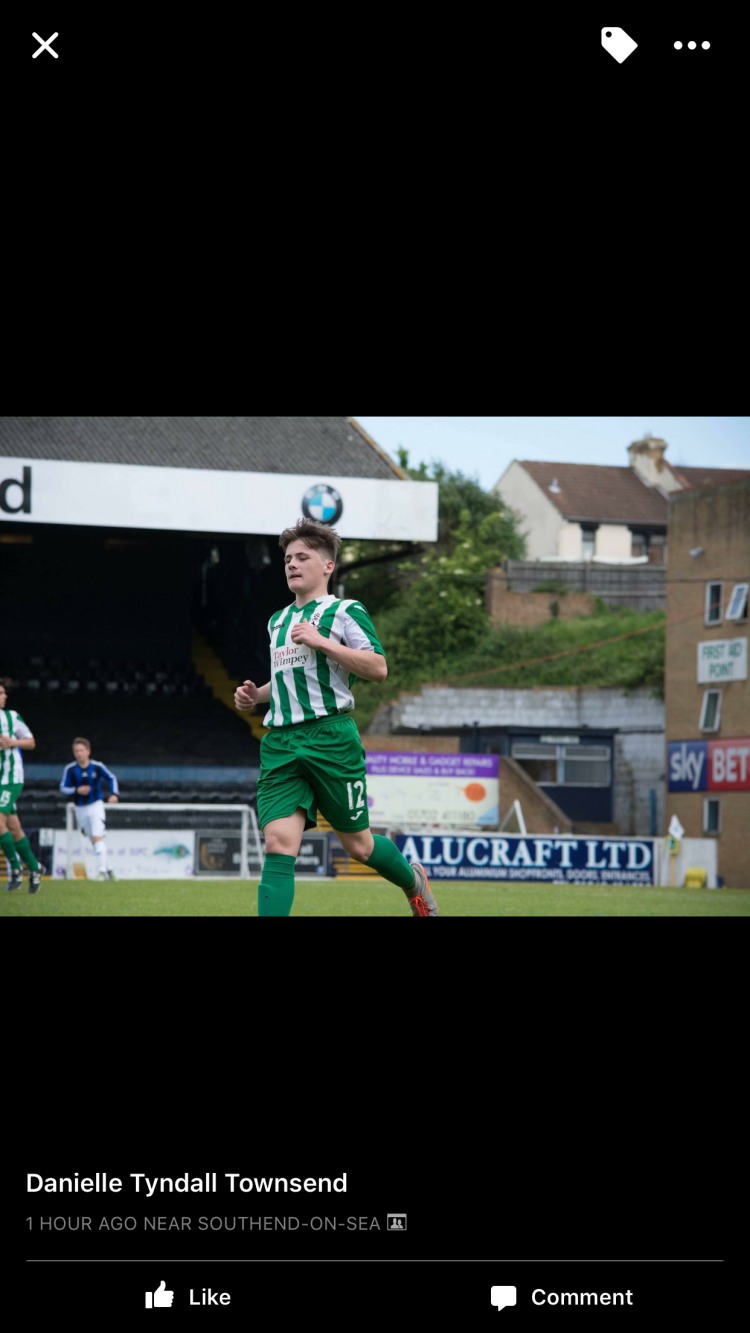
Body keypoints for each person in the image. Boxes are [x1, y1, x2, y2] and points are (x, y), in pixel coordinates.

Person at [234, 517, 439, 917]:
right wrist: (254, 696)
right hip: (280, 743)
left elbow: (378, 668)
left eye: (303, 557)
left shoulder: (345, 611)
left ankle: (414, 882)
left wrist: (321, 640)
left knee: (359, 846)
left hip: (331, 738)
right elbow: (288, 680)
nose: (292, 564)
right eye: (288, 558)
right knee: (278, 842)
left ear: (328, 566)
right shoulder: (277, 621)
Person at [0, 679, 45, 893]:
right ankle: (35, 868)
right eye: (0, 693)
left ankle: (16, 870)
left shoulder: (11, 717)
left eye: (3, 693)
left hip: (10, 778)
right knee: (14, 828)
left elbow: (31, 742)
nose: (4, 696)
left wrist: (12, 742)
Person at [59, 738, 119, 881]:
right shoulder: (70, 769)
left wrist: (114, 794)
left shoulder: (97, 767)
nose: (79, 754)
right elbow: (63, 788)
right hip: (80, 809)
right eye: (76, 751)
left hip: (95, 805)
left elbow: (111, 778)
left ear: (88, 751)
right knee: (94, 840)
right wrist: (76, 790)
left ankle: (102, 871)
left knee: (97, 836)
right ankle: (109, 869)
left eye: (81, 750)